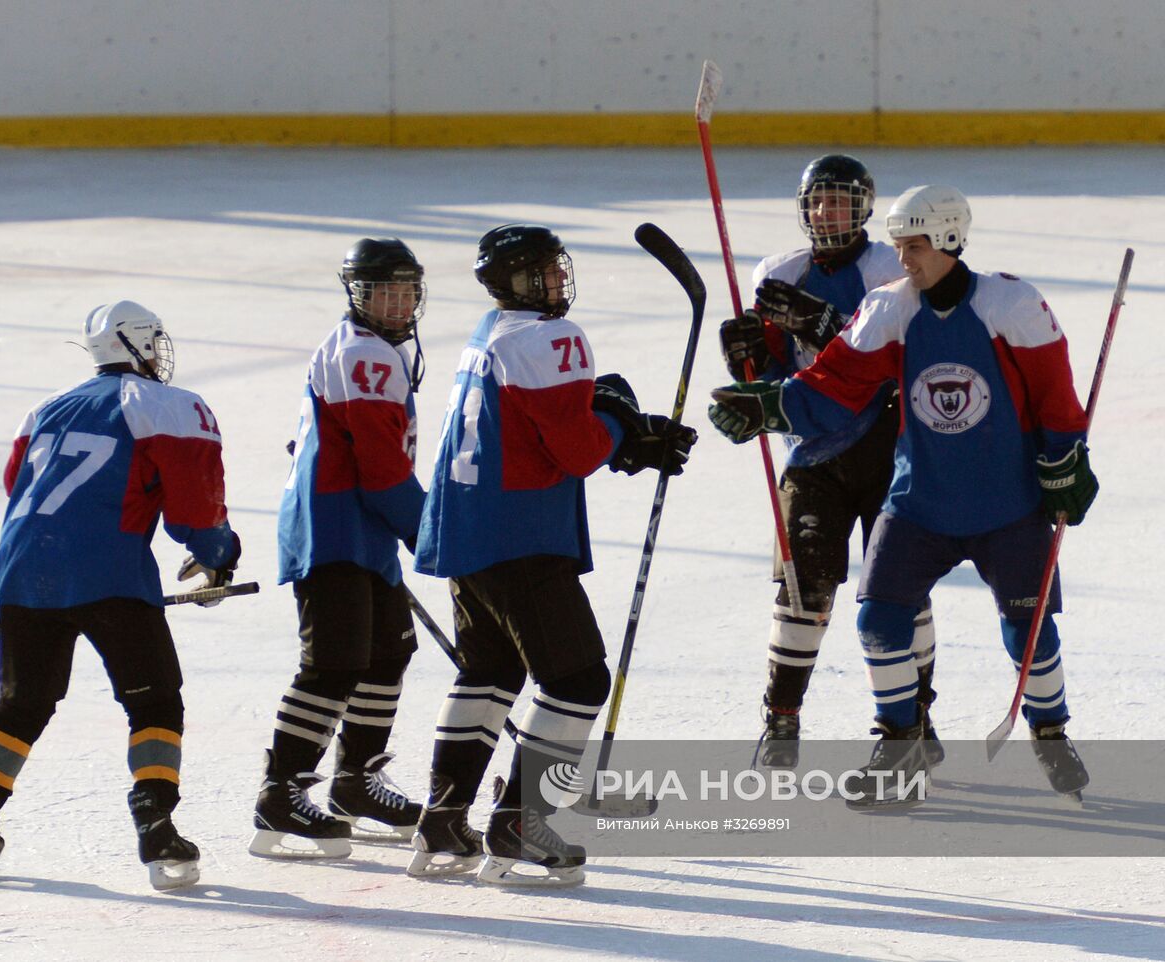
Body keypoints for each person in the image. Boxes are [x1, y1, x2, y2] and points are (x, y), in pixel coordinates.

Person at [709, 185, 1097, 807]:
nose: (904, 259)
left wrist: (1065, 459)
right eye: (899, 246)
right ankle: (899, 743)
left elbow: (1055, 394)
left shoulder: (1012, 303)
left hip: (1009, 502)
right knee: (878, 617)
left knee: (1029, 631)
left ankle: (1050, 730)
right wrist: (774, 407)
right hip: (921, 500)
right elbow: (835, 385)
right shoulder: (890, 308)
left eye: (914, 246)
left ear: (947, 241)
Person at [407, 224, 696, 885]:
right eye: (544, 272)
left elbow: (541, 430)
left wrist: (628, 434)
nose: (559, 280)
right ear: (514, 282)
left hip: (469, 532)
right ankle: (521, 824)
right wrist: (621, 426)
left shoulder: (491, 331)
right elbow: (577, 449)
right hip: (521, 535)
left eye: (558, 268)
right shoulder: (552, 337)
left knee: (489, 672)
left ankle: (444, 821)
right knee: (576, 681)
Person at [0, 300, 240, 889]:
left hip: (23, 568)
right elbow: (194, 505)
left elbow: (18, 485)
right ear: (135, 345)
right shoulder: (168, 405)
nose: (160, 354)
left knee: (23, 701)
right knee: (155, 700)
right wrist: (219, 556)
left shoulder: (45, 407)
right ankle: (156, 825)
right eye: (152, 343)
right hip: (109, 573)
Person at [718, 154, 937, 769]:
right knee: (802, 591)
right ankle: (781, 719)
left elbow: (901, 356)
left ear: (865, 207)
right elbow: (773, 376)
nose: (825, 212)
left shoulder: (889, 270)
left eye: (839, 200)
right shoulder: (778, 270)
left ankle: (918, 715)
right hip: (813, 456)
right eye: (816, 200)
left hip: (893, 452)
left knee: (901, 593)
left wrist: (823, 321)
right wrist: (744, 361)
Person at [254, 238, 428, 859]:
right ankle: (282, 792)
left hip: (363, 526)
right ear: (359, 294)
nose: (399, 302)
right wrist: (430, 530)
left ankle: (355, 780)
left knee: (388, 652)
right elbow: (382, 467)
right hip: (334, 524)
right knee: (334, 661)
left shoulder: (371, 351)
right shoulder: (364, 354)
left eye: (407, 290)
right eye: (385, 291)